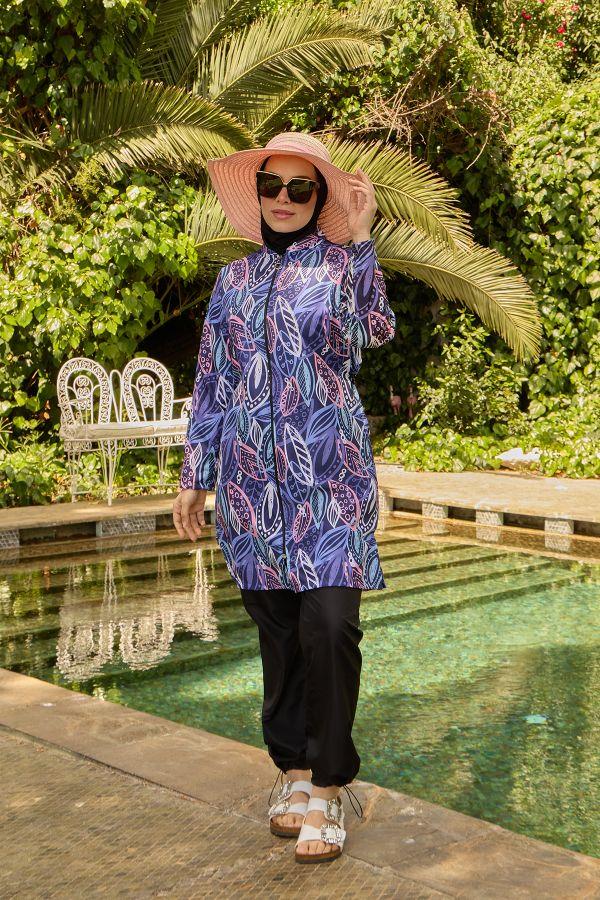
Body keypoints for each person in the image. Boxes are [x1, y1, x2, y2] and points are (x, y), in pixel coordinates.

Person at [173, 131, 396, 864]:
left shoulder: (340, 263)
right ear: (259, 191)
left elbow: (373, 332)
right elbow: (212, 381)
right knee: (278, 634)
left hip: (330, 481)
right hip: (251, 489)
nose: (284, 199)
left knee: (330, 627)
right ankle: (294, 774)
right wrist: (196, 475)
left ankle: (330, 787)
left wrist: (360, 243)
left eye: (302, 188)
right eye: (273, 185)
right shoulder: (233, 280)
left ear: (319, 197)